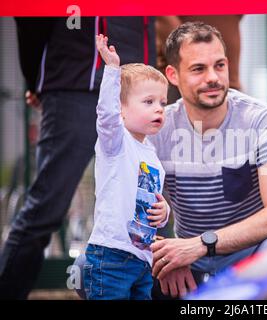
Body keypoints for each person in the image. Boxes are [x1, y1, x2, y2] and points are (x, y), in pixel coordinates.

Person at [0, 16, 158, 299]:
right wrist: (39, 78)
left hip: (138, 92)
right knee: (45, 210)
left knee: (149, 207)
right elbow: (30, 17)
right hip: (75, 83)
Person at [148, 22, 267, 298]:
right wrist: (164, 251)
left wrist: (202, 244)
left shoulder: (261, 119)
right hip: (187, 262)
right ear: (172, 74)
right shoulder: (158, 128)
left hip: (248, 257)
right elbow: (125, 213)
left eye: (219, 65)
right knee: (91, 270)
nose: (213, 78)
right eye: (198, 69)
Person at [83, 34, 170, 300]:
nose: (159, 109)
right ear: (122, 109)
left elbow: (149, 201)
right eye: (148, 102)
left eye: (162, 103)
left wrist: (163, 212)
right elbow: (106, 115)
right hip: (111, 255)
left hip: (142, 259)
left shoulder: (153, 156)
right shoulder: (116, 143)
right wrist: (111, 70)